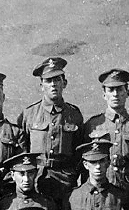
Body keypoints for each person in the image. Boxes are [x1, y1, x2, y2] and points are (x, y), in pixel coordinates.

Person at [17, 57, 87, 199]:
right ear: (41, 85)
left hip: (66, 179)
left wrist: (73, 173)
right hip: (37, 178)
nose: (53, 85)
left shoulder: (74, 114)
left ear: (64, 83)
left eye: (57, 80)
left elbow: (80, 149)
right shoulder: (29, 114)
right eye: (48, 81)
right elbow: (21, 149)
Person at [83, 68, 129, 195]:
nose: (115, 94)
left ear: (127, 92)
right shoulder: (93, 125)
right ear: (104, 94)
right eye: (111, 90)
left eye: (120, 89)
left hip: (126, 191)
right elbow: (83, 162)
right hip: (98, 190)